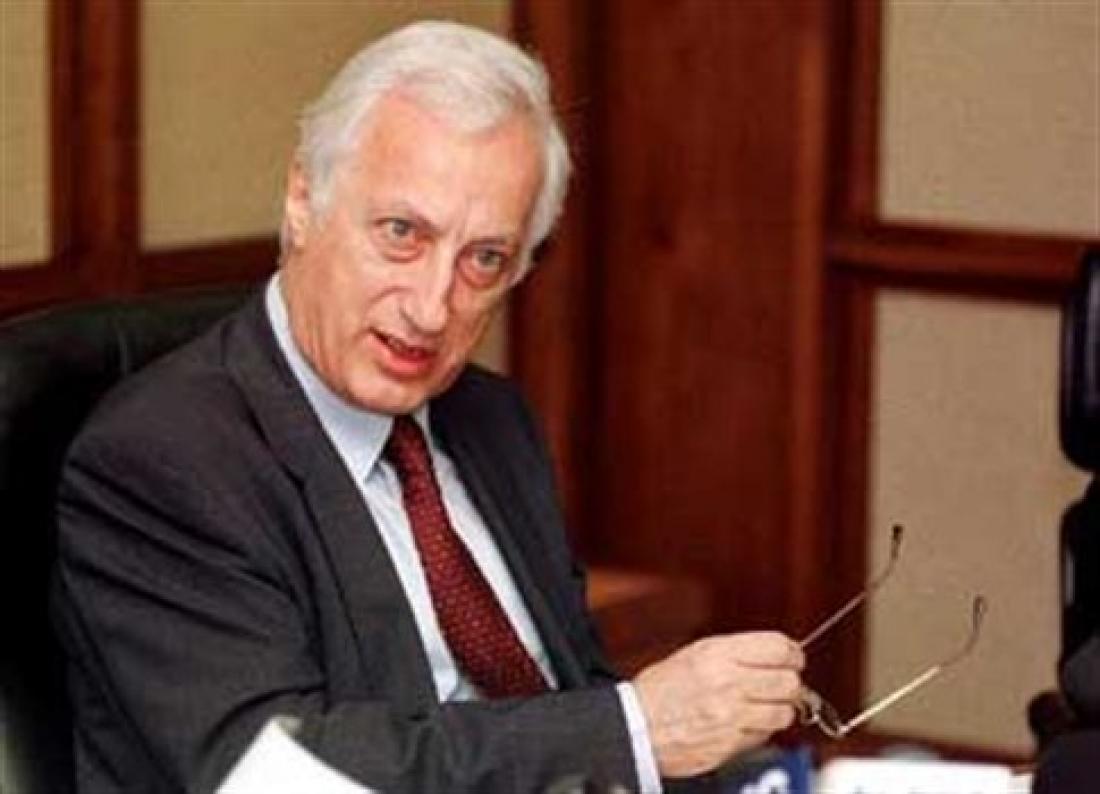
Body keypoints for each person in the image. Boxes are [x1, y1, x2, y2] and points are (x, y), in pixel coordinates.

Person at [53, 21, 805, 794]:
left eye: (485, 259)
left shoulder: (491, 419)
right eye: (402, 233)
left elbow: (571, 702)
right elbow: (281, 775)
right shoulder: (165, 459)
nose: (432, 307)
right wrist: (634, 730)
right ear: (304, 199)